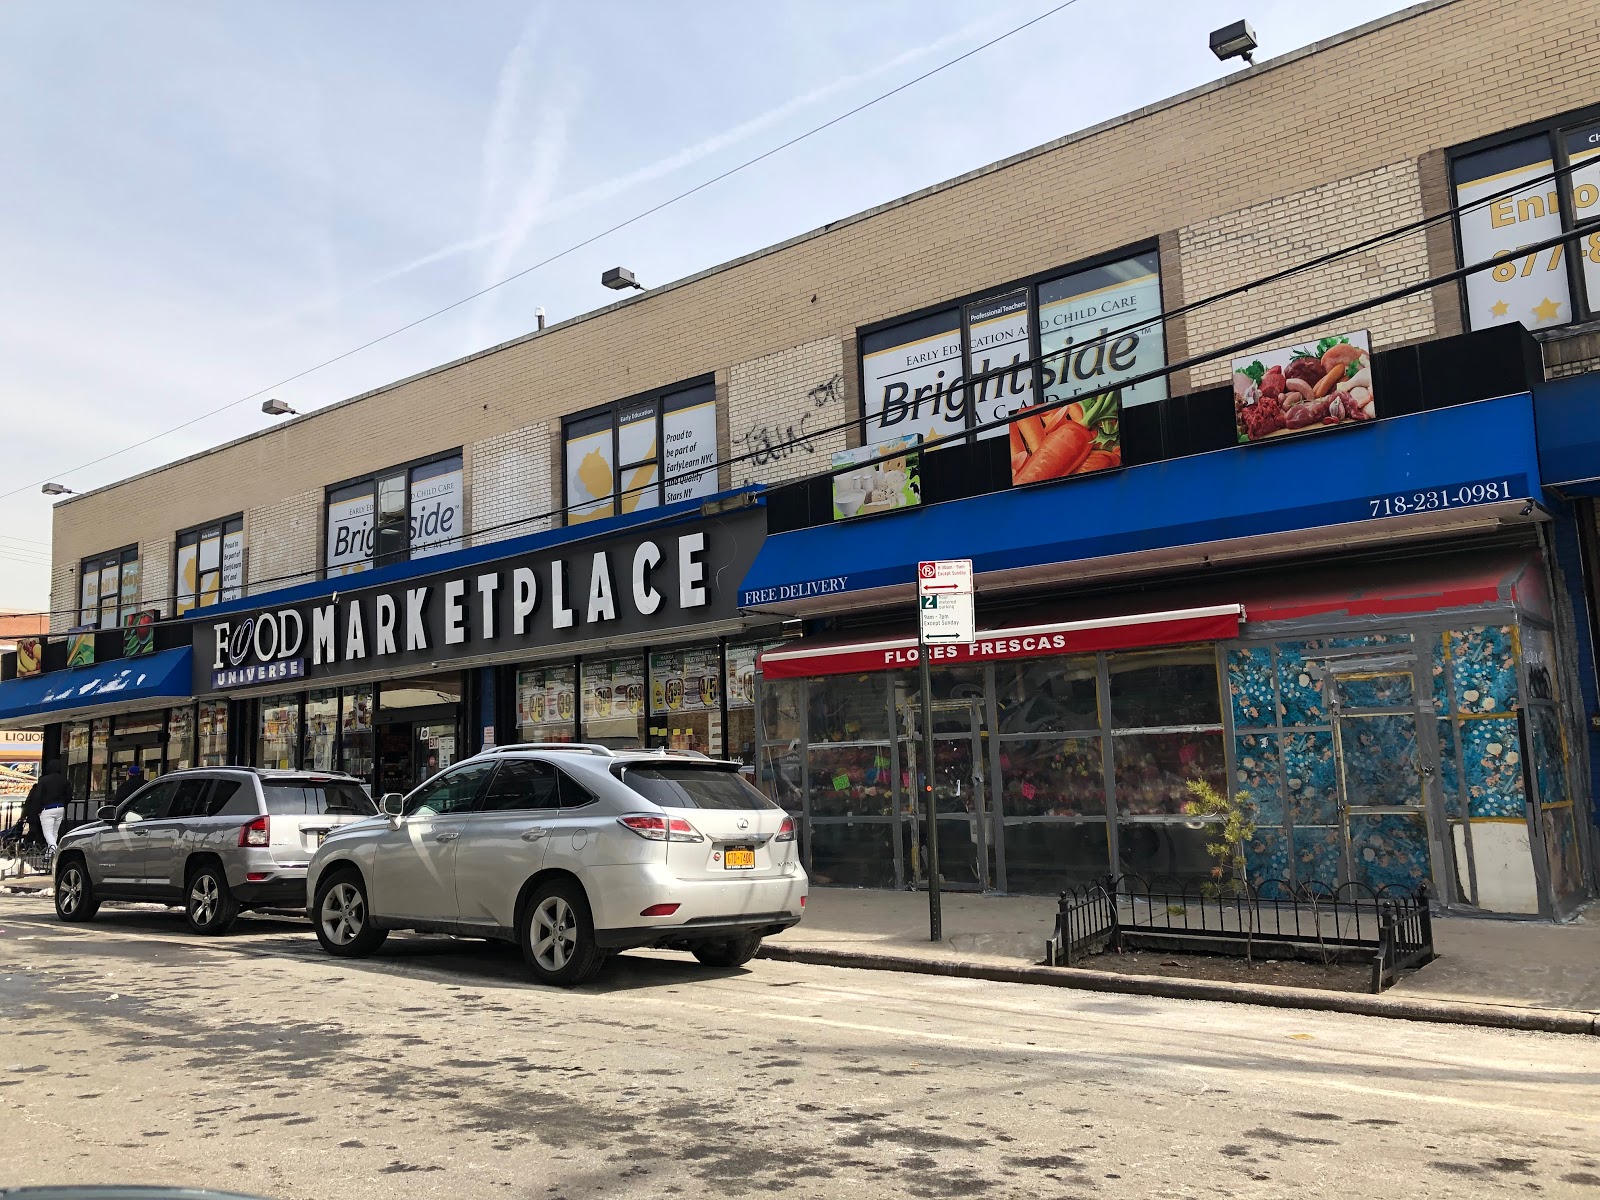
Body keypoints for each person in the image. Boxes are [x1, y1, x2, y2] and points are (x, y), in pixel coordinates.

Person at [21, 760, 69, 853]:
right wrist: (63, 803)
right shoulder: (64, 780)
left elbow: (37, 797)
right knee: (54, 833)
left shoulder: (43, 780)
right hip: (60, 808)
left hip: (47, 809)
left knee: (47, 833)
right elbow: (69, 795)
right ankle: (49, 855)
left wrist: (37, 810)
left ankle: (55, 851)